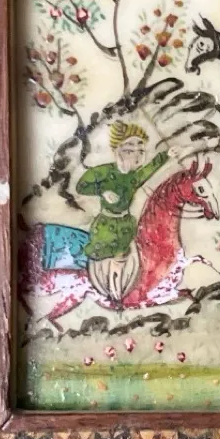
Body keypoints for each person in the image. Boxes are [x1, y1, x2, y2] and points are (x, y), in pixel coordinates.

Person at [76, 121, 171, 306]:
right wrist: (102, 191)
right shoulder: (103, 171)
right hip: (106, 224)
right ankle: (99, 286)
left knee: (121, 259)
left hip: (125, 224)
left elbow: (150, 168)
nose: (136, 155)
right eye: (129, 150)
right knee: (102, 255)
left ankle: (116, 293)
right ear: (117, 150)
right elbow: (81, 186)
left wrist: (167, 155)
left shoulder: (134, 177)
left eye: (141, 151)